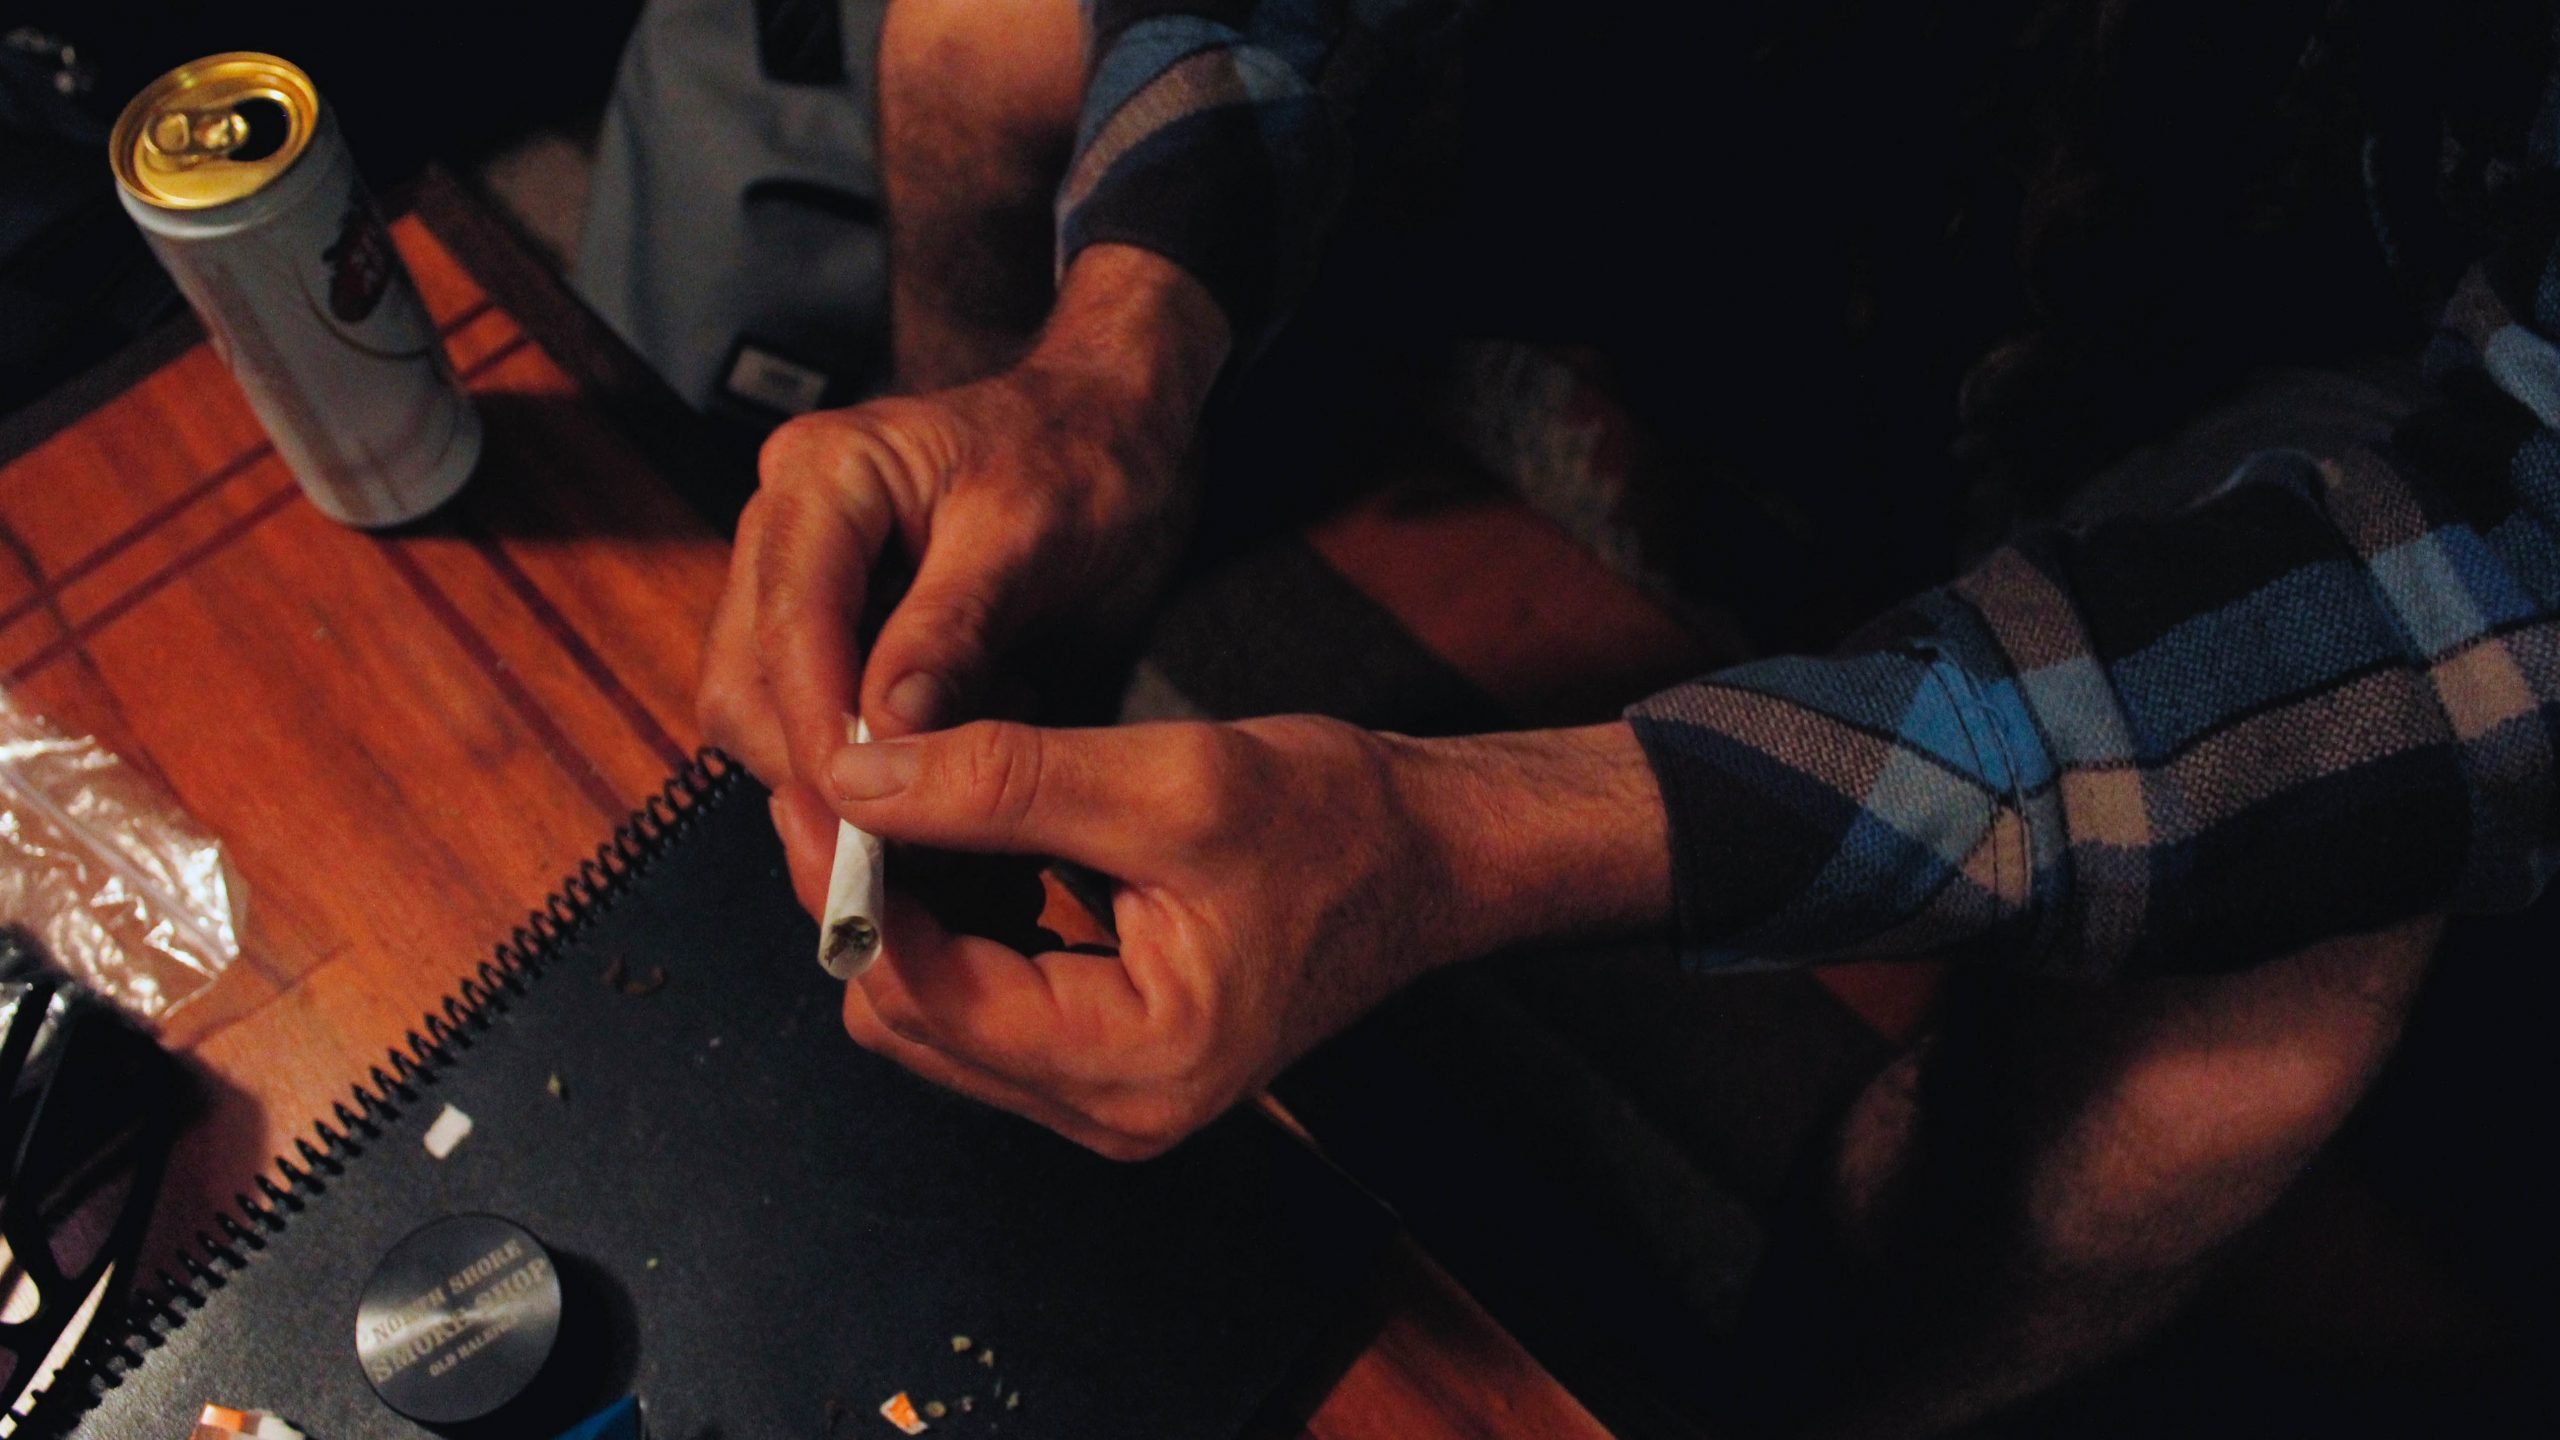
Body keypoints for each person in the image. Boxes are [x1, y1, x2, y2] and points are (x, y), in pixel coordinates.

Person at [691, 0, 2557, 1430]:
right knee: (985, 30)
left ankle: (1760, 1399)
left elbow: (2509, 583)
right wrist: (1112, 354)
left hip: (2327, 288)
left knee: (2243, 1041)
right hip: (1799, 89)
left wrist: (1465, 834)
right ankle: (1012, 747)